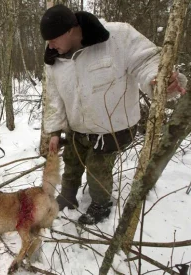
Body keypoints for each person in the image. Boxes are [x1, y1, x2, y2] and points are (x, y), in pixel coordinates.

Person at [40, 5, 187, 225]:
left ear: (71, 30)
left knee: (97, 169)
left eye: (53, 39)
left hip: (113, 127)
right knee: (72, 162)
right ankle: (67, 197)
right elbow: (54, 97)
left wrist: (161, 80)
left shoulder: (118, 36)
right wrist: (54, 130)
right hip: (78, 126)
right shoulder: (55, 60)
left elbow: (147, 61)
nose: (50, 46)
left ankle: (100, 205)